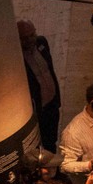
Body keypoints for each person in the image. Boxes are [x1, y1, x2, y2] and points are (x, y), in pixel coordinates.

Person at [18, 19, 61, 151]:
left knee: (52, 137)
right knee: (43, 141)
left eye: (32, 35)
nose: (30, 40)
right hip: (39, 109)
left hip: (52, 103)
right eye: (25, 38)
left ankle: (54, 168)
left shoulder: (42, 42)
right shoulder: (18, 57)